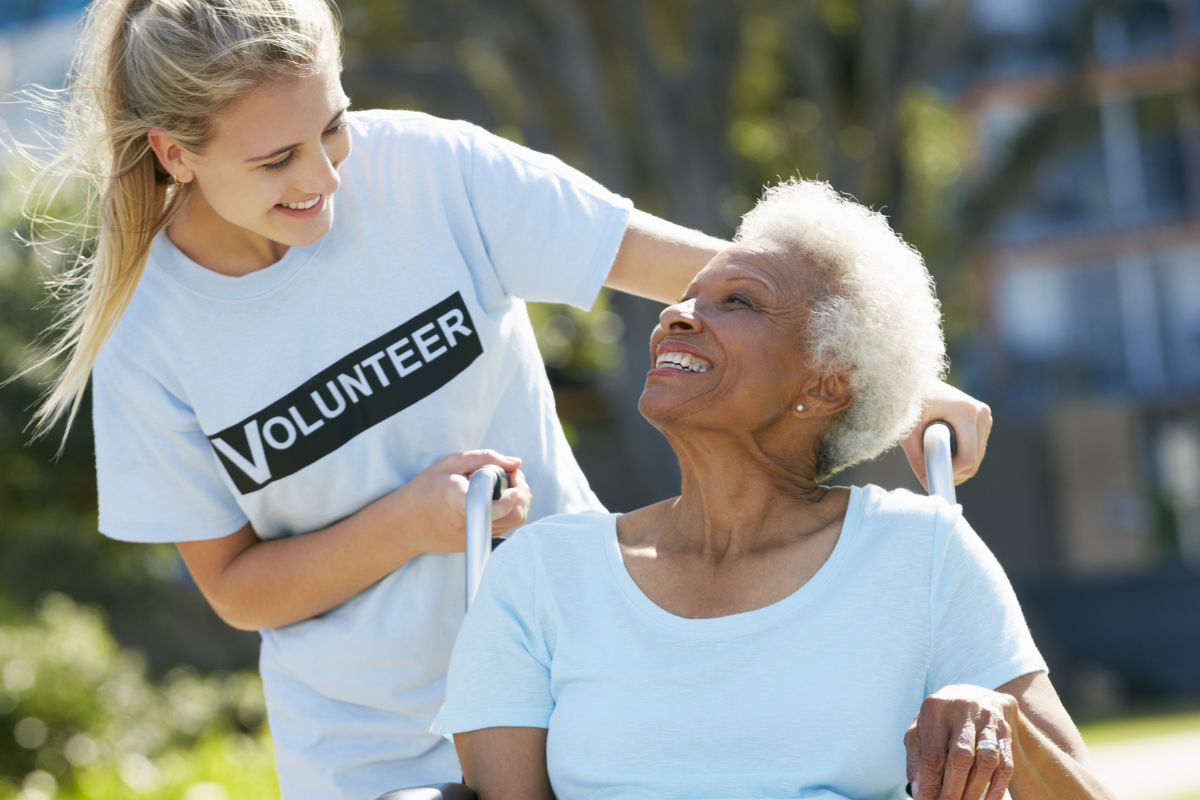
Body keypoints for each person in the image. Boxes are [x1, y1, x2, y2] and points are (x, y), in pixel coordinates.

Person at [16, 0, 992, 797]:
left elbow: (673, 264)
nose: (323, 175)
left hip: (586, 692)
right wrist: (408, 522)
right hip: (375, 751)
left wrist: (886, 370)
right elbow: (235, 585)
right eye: (276, 160)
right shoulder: (148, 340)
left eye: (333, 125)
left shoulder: (433, 171)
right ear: (175, 154)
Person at [434, 180, 1115, 800]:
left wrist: (1007, 729)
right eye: (686, 296)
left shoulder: (920, 551)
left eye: (738, 302)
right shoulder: (540, 571)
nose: (676, 315)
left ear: (826, 385)